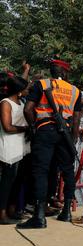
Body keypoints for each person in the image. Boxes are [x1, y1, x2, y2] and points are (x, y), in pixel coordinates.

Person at [18, 59, 82, 229]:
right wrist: (72, 140)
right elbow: (76, 120)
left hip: (45, 130)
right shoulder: (75, 91)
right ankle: (67, 212)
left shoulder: (41, 84)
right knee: (68, 171)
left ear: (53, 70)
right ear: (65, 72)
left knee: (41, 171)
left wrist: (34, 127)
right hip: (66, 133)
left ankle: (39, 216)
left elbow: (27, 109)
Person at [0, 76, 29, 224]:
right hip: (9, 146)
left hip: (22, 146)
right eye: (25, 88)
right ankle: (2, 212)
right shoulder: (5, 103)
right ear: (19, 91)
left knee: (18, 181)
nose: (27, 90)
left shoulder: (22, 103)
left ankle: (12, 209)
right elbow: (7, 126)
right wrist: (25, 128)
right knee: (7, 181)